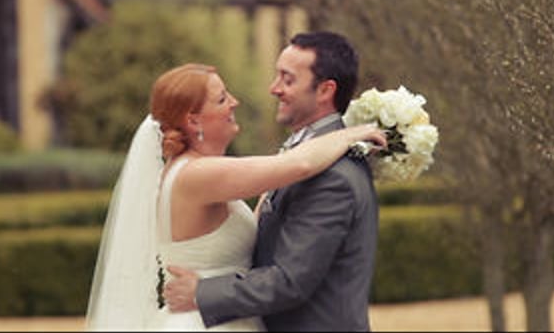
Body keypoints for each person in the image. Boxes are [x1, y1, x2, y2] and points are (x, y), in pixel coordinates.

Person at [84, 60, 384, 331]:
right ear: (193, 120)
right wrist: (349, 134)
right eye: (222, 98)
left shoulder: (198, 174)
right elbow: (299, 164)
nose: (234, 102)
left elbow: (258, 212)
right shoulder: (197, 174)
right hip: (205, 321)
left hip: (221, 315)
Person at [163, 31, 379, 331]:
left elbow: (290, 281)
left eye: (287, 79)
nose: (273, 88)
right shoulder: (305, 156)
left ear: (325, 91)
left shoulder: (332, 175)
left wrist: (203, 292)